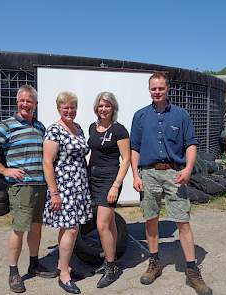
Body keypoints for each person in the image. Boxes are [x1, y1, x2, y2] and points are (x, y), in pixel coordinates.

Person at [130, 72, 212, 295]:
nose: (157, 92)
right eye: (153, 89)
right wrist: (135, 176)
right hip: (148, 174)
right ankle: (154, 262)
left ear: (168, 89)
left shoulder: (181, 115)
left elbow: (191, 143)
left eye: (161, 88)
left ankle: (192, 269)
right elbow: (134, 148)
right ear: (149, 90)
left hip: (175, 173)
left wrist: (187, 168)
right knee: (151, 219)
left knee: (182, 221)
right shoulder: (140, 116)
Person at [0, 85, 57, 293]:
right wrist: (4, 170)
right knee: (19, 228)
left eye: (29, 101)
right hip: (21, 186)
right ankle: (13, 272)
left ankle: (34, 263)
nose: (25, 104)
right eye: (22, 100)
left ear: (36, 105)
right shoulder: (7, 125)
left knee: (37, 226)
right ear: (17, 102)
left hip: (40, 185)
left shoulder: (40, 127)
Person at [43, 91, 93, 294]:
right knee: (71, 230)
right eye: (65, 108)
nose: (69, 111)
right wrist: (54, 192)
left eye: (72, 107)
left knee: (69, 229)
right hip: (63, 187)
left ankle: (64, 266)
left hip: (79, 185)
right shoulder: (54, 130)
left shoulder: (78, 128)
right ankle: (64, 275)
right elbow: (47, 162)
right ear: (59, 109)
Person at [88, 91, 130, 288]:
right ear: (96, 108)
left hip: (109, 180)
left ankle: (111, 267)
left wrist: (116, 184)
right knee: (110, 223)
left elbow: (126, 160)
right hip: (93, 178)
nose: (103, 109)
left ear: (114, 108)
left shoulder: (119, 130)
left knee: (102, 225)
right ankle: (110, 262)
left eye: (107, 106)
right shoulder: (92, 128)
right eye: (100, 106)